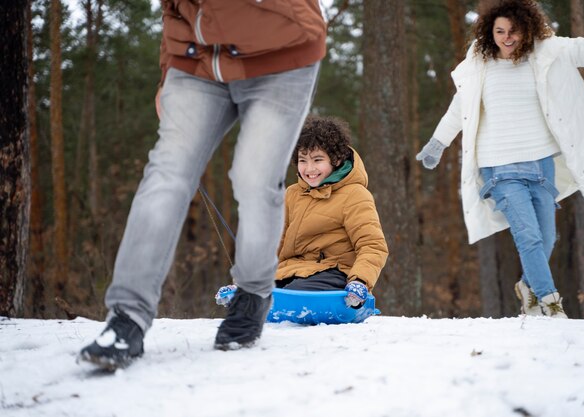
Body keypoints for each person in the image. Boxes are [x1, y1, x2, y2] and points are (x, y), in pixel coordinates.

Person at [79, 0, 327, 369]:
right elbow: (172, 8)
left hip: (282, 57)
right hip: (197, 63)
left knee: (254, 178)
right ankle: (127, 317)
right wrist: (168, 74)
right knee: (166, 175)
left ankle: (253, 293)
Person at [415, 0, 584, 318]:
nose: (507, 37)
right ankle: (550, 302)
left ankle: (528, 286)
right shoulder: (480, 63)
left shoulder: (547, 51)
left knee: (548, 237)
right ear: (490, 32)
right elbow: (462, 107)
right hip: (498, 166)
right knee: (527, 235)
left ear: (527, 27)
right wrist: (437, 142)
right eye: (499, 31)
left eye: (513, 30)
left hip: (541, 164)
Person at [216, 115, 388, 309]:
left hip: (336, 273)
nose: (309, 168)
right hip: (293, 271)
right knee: (268, 290)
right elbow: (275, 244)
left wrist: (360, 281)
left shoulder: (354, 194)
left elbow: (372, 245)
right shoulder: (292, 194)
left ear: (336, 159)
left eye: (317, 160)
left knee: (294, 293)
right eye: (302, 160)